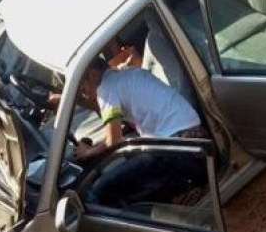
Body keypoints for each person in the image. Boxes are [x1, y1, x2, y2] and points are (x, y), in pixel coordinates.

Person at [75, 57, 205, 206]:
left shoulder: (105, 88)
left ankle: (181, 193)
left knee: (100, 189)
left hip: (176, 148)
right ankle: (178, 191)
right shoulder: (129, 74)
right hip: (194, 138)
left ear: (92, 75)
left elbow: (113, 140)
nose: (85, 96)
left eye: (83, 90)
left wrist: (88, 152)